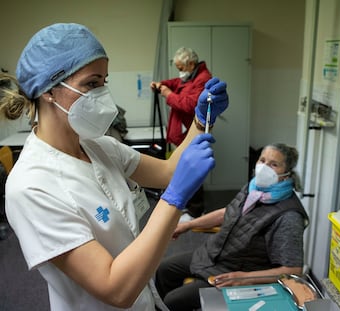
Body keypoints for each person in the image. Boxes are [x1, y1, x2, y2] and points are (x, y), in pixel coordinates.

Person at [0, 23, 228, 311]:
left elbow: (168, 171)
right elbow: (116, 289)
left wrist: (200, 121)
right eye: (91, 83)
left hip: (145, 299)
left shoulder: (99, 146)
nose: (102, 94)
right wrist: (174, 200)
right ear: (49, 91)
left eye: (103, 82)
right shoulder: (31, 186)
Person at [155, 143, 309, 311]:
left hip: (236, 272)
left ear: (287, 174)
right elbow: (228, 212)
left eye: (274, 164)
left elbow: (293, 270)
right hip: (213, 254)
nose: (264, 168)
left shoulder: (289, 216)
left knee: (174, 300)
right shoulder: (254, 188)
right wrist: (188, 224)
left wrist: (244, 279)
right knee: (163, 270)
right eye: (262, 160)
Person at [150, 47, 212, 219]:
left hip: (192, 133)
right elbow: (175, 83)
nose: (179, 72)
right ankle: (189, 205)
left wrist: (168, 94)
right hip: (184, 133)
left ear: (191, 64)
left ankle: (196, 211)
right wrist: (161, 84)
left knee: (193, 168)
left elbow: (188, 104)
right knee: (184, 168)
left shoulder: (203, 80)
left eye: (181, 68)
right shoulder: (189, 77)